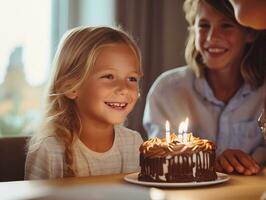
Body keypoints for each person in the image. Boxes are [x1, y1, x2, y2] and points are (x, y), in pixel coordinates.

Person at [143, 0, 266, 175]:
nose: (212, 38)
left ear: (250, 34)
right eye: (204, 25)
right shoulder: (167, 91)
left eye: (226, 26)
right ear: (193, 29)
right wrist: (211, 163)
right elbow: (160, 161)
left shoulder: (262, 94)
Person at [25, 26, 143, 179]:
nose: (123, 89)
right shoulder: (49, 149)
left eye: (132, 78)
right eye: (109, 76)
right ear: (71, 87)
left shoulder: (133, 143)